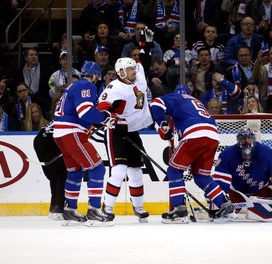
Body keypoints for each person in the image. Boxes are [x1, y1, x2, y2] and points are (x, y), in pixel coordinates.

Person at [150, 84, 237, 224]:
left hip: (195, 134)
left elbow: (155, 103)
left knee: (173, 170)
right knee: (201, 176)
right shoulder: (197, 103)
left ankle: (179, 210)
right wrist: (165, 130)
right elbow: (169, 135)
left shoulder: (177, 97)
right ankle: (225, 206)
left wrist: (160, 123)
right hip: (213, 136)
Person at [53, 60, 115, 226]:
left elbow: (80, 112)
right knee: (97, 167)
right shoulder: (85, 86)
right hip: (72, 132)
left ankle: (70, 210)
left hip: (60, 133)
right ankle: (94, 209)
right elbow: (85, 112)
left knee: (75, 170)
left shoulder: (72, 87)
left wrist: (100, 120)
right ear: (94, 75)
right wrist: (105, 118)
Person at [97, 57, 154, 222]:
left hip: (133, 131)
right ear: (121, 72)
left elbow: (143, 61)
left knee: (136, 171)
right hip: (116, 132)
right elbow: (101, 107)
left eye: (134, 69)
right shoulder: (115, 87)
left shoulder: (139, 77)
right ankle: (107, 208)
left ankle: (138, 207)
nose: (133, 72)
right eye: (130, 70)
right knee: (119, 170)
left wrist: (146, 47)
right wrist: (115, 119)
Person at [213, 127, 272, 221]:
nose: (247, 141)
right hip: (237, 192)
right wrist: (219, 200)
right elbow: (220, 181)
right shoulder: (228, 154)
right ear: (238, 140)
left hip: (261, 191)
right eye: (243, 139)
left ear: (253, 139)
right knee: (216, 216)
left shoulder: (266, 152)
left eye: (249, 138)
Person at [33, 120, 66, 220]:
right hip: (48, 143)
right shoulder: (72, 116)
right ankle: (59, 209)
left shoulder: (61, 115)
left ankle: (53, 209)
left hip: (38, 141)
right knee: (61, 174)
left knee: (54, 177)